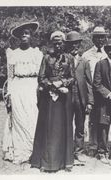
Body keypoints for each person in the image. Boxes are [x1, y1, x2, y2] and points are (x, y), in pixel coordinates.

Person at [30, 31, 75, 172]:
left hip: (64, 97)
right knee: (48, 128)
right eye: (55, 42)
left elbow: (73, 78)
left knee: (63, 127)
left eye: (60, 42)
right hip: (49, 98)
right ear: (52, 43)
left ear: (64, 43)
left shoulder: (69, 58)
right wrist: (51, 85)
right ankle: (46, 162)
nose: (58, 45)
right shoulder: (46, 58)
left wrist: (62, 83)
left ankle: (64, 162)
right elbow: (41, 77)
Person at [2, 22, 43, 164]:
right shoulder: (13, 54)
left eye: (27, 33)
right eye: (22, 33)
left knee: (32, 117)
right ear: (19, 37)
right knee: (18, 118)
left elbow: (40, 75)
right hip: (18, 87)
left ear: (31, 36)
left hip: (32, 87)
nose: (24, 35)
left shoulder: (37, 53)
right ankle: (20, 151)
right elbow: (10, 75)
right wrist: (9, 93)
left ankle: (32, 151)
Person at [64, 31, 94, 162]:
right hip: (66, 98)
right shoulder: (63, 59)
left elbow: (89, 82)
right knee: (66, 124)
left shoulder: (84, 61)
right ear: (67, 45)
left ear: (79, 45)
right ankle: (66, 151)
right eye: (71, 44)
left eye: (76, 44)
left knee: (80, 126)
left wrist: (90, 101)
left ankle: (79, 151)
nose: (74, 46)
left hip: (81, 98)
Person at [82, 26, 108, 157]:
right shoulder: (86, 55)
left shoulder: (108, 54)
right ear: (93, 38)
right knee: (92, 119)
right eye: (97, 37)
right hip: (91, 91)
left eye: (102, 37)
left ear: (105, 38)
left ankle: (103, 146)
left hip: (104, 92)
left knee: (103, 119)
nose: (100, 39)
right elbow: (84, 76)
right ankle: (92, 145)